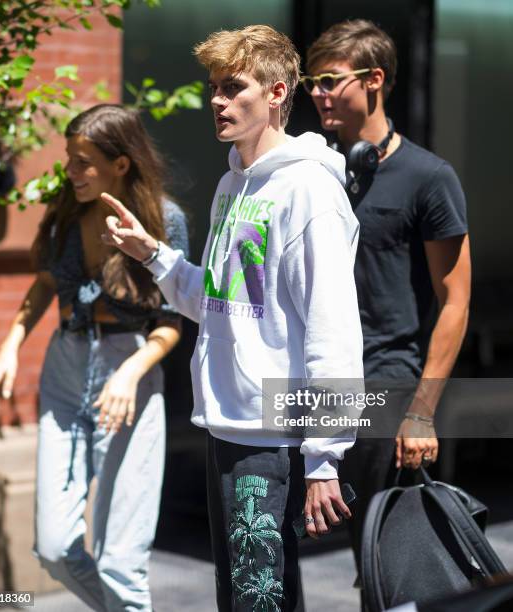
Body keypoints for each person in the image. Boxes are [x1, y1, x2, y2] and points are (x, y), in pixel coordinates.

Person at [99, 24, 364, 612]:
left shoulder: (309, 193)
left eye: (232, 87)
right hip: (227, 425)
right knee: (248, 601)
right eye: (213, 87)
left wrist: (323, 458)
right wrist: (153, 253)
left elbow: (334, 329)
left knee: (256, 601)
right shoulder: (231, 185)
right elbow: (217, 303)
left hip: (272, 437)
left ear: (276, 92)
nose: (216, 100)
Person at [0, 104, 189, 611]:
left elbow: (172, 321)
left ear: (121, 163)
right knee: (53, 549)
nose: (70, 172)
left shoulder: (164, 220)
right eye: (69, 160)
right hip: (65, 368)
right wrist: (10, 345)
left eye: (83, 162)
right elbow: (46, 283)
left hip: (132, 374)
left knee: (120, 559)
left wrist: (130, 372)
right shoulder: (66, 214)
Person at [304, 18, 471, 587]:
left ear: (374, 80)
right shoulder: (315, 171)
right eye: (312, 83)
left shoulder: (429, 177)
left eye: (330, 80)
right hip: (311, 382)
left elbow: (455, 300)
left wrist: (421, 410)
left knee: (385, 566)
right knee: (272, 547)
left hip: (385, 381)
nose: (319, 94)